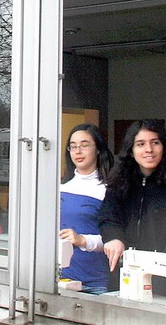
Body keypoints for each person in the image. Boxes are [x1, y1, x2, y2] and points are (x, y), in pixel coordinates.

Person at [98, 120, 166, 293]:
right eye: (141, 144)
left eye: (155, 143)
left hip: (165, 274)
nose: (149, 150)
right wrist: (113, 237)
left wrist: (163, 264)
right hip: (124, 271)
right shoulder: (119, 181)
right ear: (131, 150)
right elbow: (108, 216)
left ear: (163, 147)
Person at [59, 124, 114, 294]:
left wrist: (82, 240)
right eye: (73, 146)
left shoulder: (108, 189)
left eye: (84, 145)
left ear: (98, 149)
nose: (78, 151)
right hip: (59, 280)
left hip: (93, 282)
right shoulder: (60, 186)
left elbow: (115, 240)